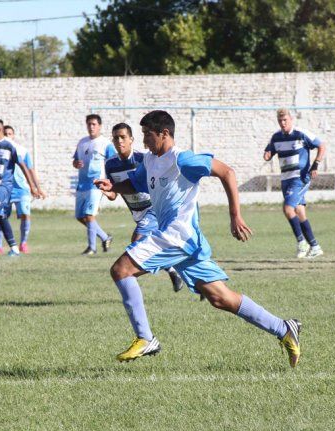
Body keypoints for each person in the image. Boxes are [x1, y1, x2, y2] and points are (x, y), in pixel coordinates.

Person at [95, 110, 301, 367]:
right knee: (220, 298)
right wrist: (112, 187)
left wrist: (235, 216)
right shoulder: (149, 161)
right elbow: (136, 184)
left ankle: (145, 338)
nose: (144, 140)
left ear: (164, 134)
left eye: (148, 134)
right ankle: (283, 328)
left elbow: (227, 172)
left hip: (177, 236)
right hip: (182, 241)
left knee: (120, 270)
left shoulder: (183, 160)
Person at [102, 122, 184, 292]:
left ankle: (128, 279)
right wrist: (106, 190)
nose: (119, 141)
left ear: (131, 139)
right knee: (149, 246)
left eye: (123, 137)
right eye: (116, 138)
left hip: (153, 208)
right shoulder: (110, 165)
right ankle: (174, 268)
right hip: (137, 213)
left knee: (137, 243)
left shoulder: (143, 159)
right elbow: (113, 195)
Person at [0, 118, 42, 260]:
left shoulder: (9, 147)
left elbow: (23, 166)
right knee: (0, 217)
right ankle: (14, 248)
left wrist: (32, 187)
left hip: (3, 186)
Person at [263, 108, 326, 259]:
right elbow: (268, 152)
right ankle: (315, 247)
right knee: (300, 212)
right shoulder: (276, 137)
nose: (283, 123)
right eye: (280, 121)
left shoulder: (301, 134)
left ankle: (301, 242)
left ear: (291, 119)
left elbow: (321, 145)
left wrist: (316, 164)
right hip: (286, 180)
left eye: (285, 120)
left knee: (287, 209)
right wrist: (267, 154)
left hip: (300, 179)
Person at [0, 125, 45, 254]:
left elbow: (30, 169)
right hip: (4, 188)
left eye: (10, 133)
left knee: (25, 215)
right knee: (0, 216)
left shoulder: (22, 150)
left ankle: (23, 243)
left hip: (21, 189)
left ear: (13, 135)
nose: (8, 136)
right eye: (6, 133)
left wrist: (37, 188)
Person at [73, 114, 116, 255]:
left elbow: (113, 163)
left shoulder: (105, 143)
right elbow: (75, 161)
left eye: (94, 124)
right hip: (82, 184)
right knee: (80, 216)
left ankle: (92, 248)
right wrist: (76, 163)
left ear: (99, 126)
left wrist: (111, 183)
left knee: (89, 215)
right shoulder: (82, 142)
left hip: (96, 185)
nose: (91, 127)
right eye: (89, 124)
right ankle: (105, 237)